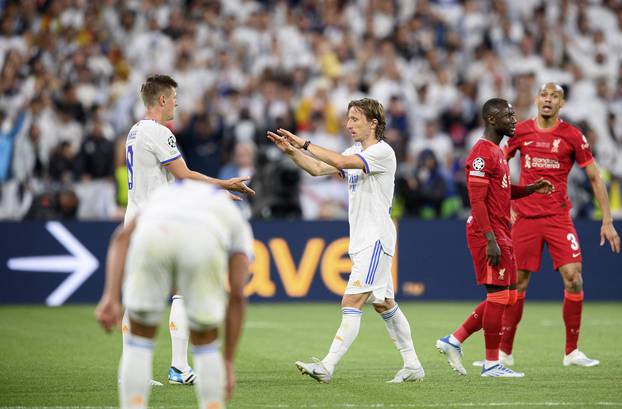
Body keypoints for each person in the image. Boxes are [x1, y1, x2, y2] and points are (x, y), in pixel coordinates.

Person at [267, 98, 424, 383]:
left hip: (376, 238)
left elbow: (338, 162)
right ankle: (412, 364)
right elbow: (318, 169)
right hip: (362, 239)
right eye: (348, 119)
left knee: (351, 301)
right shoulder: (355, 151)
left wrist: (303, 143)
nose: (348, 124)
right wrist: (291, 152)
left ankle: (327, 366)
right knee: (384, 303)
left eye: (354, 119)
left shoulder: (381, 152)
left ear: (373, 123)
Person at [473, 83, 620, 368]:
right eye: (543, 95)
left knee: (574, 276)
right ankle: (504, 353)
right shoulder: (521, 131)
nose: (548, 100)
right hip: (525, 218)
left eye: (554, 96)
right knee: (517, 283)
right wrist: (504, 205)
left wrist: (607, 219)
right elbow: (497, 164)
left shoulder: (572, 136)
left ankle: (571, 351)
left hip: (557, 217)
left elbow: (594, 177)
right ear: (538, 100)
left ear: (562, 103)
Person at [123, 74, 254, 385]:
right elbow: (183, 174)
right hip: (158, 223)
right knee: (183, 289)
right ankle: (179, 367)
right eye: (174, 97)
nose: (178, 103)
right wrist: (222, 184)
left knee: (139, 296)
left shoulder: (134, 131)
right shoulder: (159, 132)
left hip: (134, 220)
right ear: (163, 100)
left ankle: (132, 371)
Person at [95, 180, 253, 409]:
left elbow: (121, 239)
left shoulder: (163, 195)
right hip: (201, 242)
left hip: (155, 233)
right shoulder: (234, 219)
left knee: (139, 339)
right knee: (205, 340)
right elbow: (237, 295)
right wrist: (227, 362)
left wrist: (110, 296)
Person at [435, 98, 553, 377]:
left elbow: (502, 190)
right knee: (499, 296)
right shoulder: (480, 153)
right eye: (508, 115)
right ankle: (491, 364)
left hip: (501, 229)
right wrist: (490, 238)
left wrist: (531, 188)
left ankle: (453, 340)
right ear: (491, 119)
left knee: (509, 296)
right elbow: (476, 201)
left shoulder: (497, 152)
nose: (514, 119)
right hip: (486, 230)